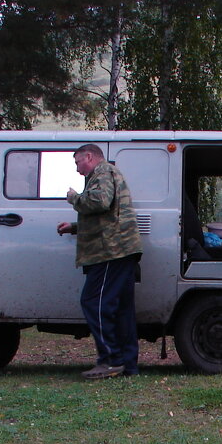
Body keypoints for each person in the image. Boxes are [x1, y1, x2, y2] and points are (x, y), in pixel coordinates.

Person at [57, 144, 143, 379]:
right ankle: (128, 365)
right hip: (121, 250)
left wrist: (75, 198)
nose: (77, 169)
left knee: (94, 302)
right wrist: (74, 227)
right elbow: (107, 215)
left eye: (77, 163)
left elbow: (101, 201)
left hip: (110, 252)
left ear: (89, 156)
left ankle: (111, 360)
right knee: (122, 310)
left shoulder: (102, 173)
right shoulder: (108, 173)